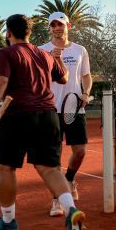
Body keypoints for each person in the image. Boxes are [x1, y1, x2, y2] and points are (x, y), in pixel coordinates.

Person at [0, 13, 86, 230]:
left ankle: (8, 220)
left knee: (7, 167)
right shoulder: (44, 54)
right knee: (49, 168)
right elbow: (63, 77)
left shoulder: (6, 53)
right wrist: (56, 59)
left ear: (8, 33)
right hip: (48, 115)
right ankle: (71, 210)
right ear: (29, 33)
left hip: (17, 116)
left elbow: (0, 82)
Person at [39, 12, 92, 217]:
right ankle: (57, 200)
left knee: (80, 151)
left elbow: (86, 76)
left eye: (60, 24)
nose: (57, 28)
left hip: (74, 107)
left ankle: (69, 179)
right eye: (53, 25)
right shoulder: (42, 50)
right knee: (54, 157)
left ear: (68, 26)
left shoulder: (80, 50)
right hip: (50, 109)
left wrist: (86, 93)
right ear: (49, 28)